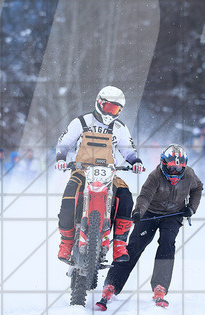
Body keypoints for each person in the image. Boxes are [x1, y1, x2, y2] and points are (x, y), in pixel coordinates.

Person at [97, 144, 202, 310]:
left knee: (167, 243)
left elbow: (198, 188)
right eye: (171, 167)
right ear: (163, 164)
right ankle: (112, 284)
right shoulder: (155, 176)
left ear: (184, 166)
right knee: (134, 247)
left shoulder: (189, 175)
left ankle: (160, 286)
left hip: (173, 215)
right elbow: (145, 196)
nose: (174, 171)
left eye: (178, 168)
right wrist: (138, 212)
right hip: (150, 213)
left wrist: (191, 207)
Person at [54, 85, 144, 264]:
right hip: (81, 171)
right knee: (68, 198)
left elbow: (128, 151)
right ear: (99, 103)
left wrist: (136, 162)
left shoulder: (119, 128)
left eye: (116, 109)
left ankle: (119, 243)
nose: (111, 113)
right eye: (109, 108)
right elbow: (64, 143)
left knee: (126, 197)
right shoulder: (81, 122)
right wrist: (61, 158)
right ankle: (66, 242)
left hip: (109, 174)